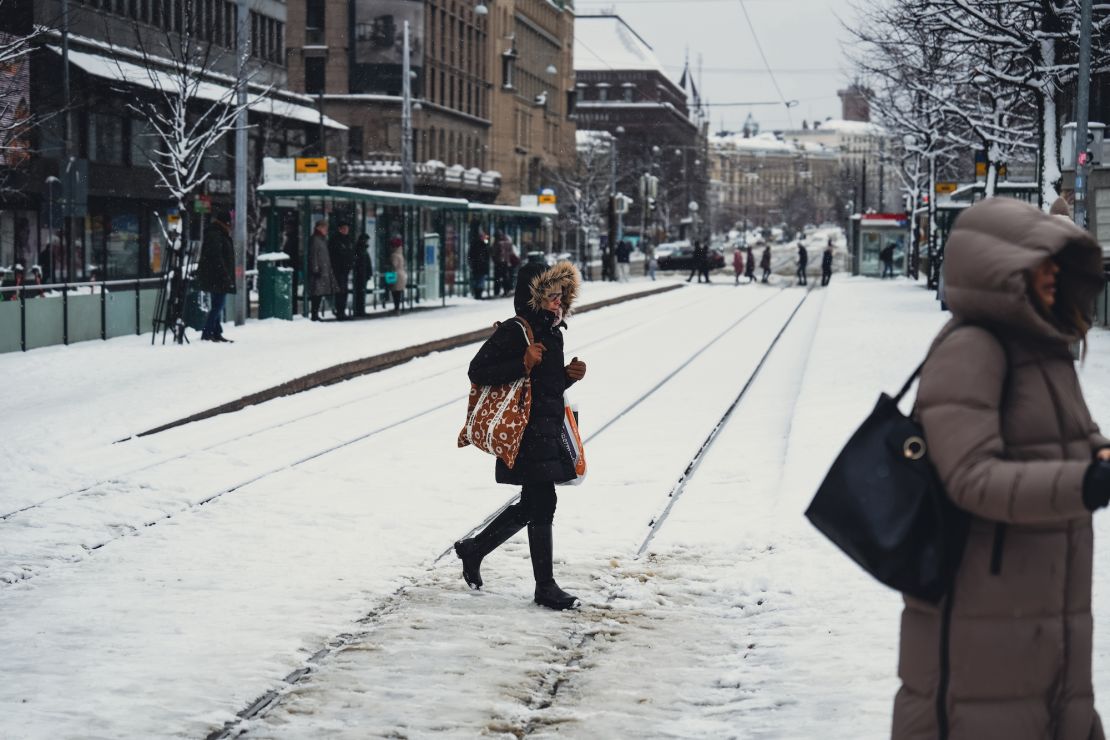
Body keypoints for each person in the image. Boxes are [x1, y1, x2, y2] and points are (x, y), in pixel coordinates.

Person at [892, 197, 1110, 740]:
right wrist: (1084, 483)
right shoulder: (972, 349)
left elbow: (1070, 437)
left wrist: (1100, 453)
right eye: (1044, 264)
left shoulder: (1045, 349)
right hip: (983, 603)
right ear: (1002, 269)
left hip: (1043, 597)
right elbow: (969, 475)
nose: (1055, 277)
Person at [454, 260, 587, 611]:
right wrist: (522, 363)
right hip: (524, 432)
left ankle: (474, 549)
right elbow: (478, 371)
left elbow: (544, 384)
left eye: (562, 297)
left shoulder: (554, 333)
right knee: (543, 503)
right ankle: (545, 587)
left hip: (544, 429)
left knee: (535, 504)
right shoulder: (516, 331)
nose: (558, 303)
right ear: (534, 298)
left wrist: (567, 376)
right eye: (552, 297)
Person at [195, 210, 236, 342]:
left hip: (215, 276)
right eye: (230, 222)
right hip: (217, 277)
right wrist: (225, 275)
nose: (231, 225)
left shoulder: (218, 233)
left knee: (217, 305)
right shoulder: (216, 234)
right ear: (226, 222)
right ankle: (207, 333)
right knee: (218, 305)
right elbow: (216, 257)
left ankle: (216, 332)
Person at [308, 219, 339, 321]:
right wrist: (315, 268)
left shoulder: (323, 239)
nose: (326, 230)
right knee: (317, 293)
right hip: (319, 271)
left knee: (320, 293)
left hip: (324, 270)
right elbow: (314, 255)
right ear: (318, 228)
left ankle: (316, 314)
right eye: (324, 227)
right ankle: (314, 314)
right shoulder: (315, 240)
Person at [329, 222, 356, 320]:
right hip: (338, 270)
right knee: (340, 291)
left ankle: (342, 311)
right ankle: (340, 312)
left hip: (345, 270)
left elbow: (351, 253)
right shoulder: (335, 240)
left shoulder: (348, 239)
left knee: (344, 291)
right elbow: (336, 255)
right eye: (344, 228)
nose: (346, 230)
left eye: (347, 228)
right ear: (339, 229)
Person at [352, 231, 372, 317]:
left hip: (363, 274)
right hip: (361, 274)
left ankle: (360, 310)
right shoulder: (360, 249)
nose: (367, 242)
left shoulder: (362, 249)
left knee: (361, 293)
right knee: (360, 293)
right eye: (366, 240)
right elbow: (362, 263)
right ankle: (359, 310)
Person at [469, 227, 490, 300]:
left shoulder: (476, 244)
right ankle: (478, 293)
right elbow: (487, 255)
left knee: (478, 280)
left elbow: (471, 255)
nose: (485, 238)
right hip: (480, 266)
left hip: (478, 266)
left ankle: (477, 293)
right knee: (479, 280)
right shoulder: (483, 245)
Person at [388, 236, 407, 315]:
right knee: (398, 293)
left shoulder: (394, 255)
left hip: (394, 275)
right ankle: (397, 308)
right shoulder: (400, 254)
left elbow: (394, 265)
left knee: (395, 293)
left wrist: (388, 263)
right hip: (401, 275)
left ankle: (396, 309)